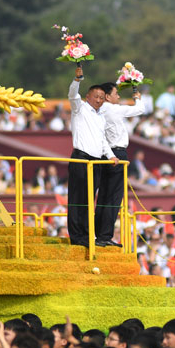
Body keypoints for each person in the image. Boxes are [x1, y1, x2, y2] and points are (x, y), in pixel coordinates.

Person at [66, 65, 119, 247]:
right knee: (77, 199)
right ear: (88, 97)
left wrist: (111, 156)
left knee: (90, 199)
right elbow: (73, 95)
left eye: (101, 98)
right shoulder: (79, 109)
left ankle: (89, 236)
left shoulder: (100, 117)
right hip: (81, 158)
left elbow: (103, 141)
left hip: (96, 162)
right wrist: (77, 80)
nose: (98, 100)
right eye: (95, 97)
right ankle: (77, 236)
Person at [96, 82, 144, 247]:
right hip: (117, 153)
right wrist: (137, 97)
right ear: (108, 97)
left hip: (104, 153)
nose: (118, 96)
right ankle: (105, 236)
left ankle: (99, 233)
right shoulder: (113, 109)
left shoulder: (99, 110)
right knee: (114, 197)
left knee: (103, 194)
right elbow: (140, 109)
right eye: (116, 94)